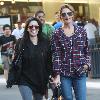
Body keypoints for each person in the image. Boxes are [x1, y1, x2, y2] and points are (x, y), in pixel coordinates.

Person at [51, 4, 91, 100]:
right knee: (67, 98)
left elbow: (87, 50)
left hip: (80, 72)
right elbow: (56, 55)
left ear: (73, 15)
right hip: (65, 73)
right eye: (64, 14)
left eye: (69, 13)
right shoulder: (57, 33)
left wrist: (87, 64)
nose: (67, 16)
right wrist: (57, 75)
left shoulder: (82, 31)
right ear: (61, 17)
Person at [7, 17, 51, 100]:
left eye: (36, 27)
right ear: (27, 29)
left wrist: (51, 75)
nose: (33, 28)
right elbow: (16, 60)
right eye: (31, 27)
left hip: (40, 79)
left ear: (39, 29)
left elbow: (48, 61)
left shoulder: (45, 42)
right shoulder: (21, 42)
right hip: (24, 79)